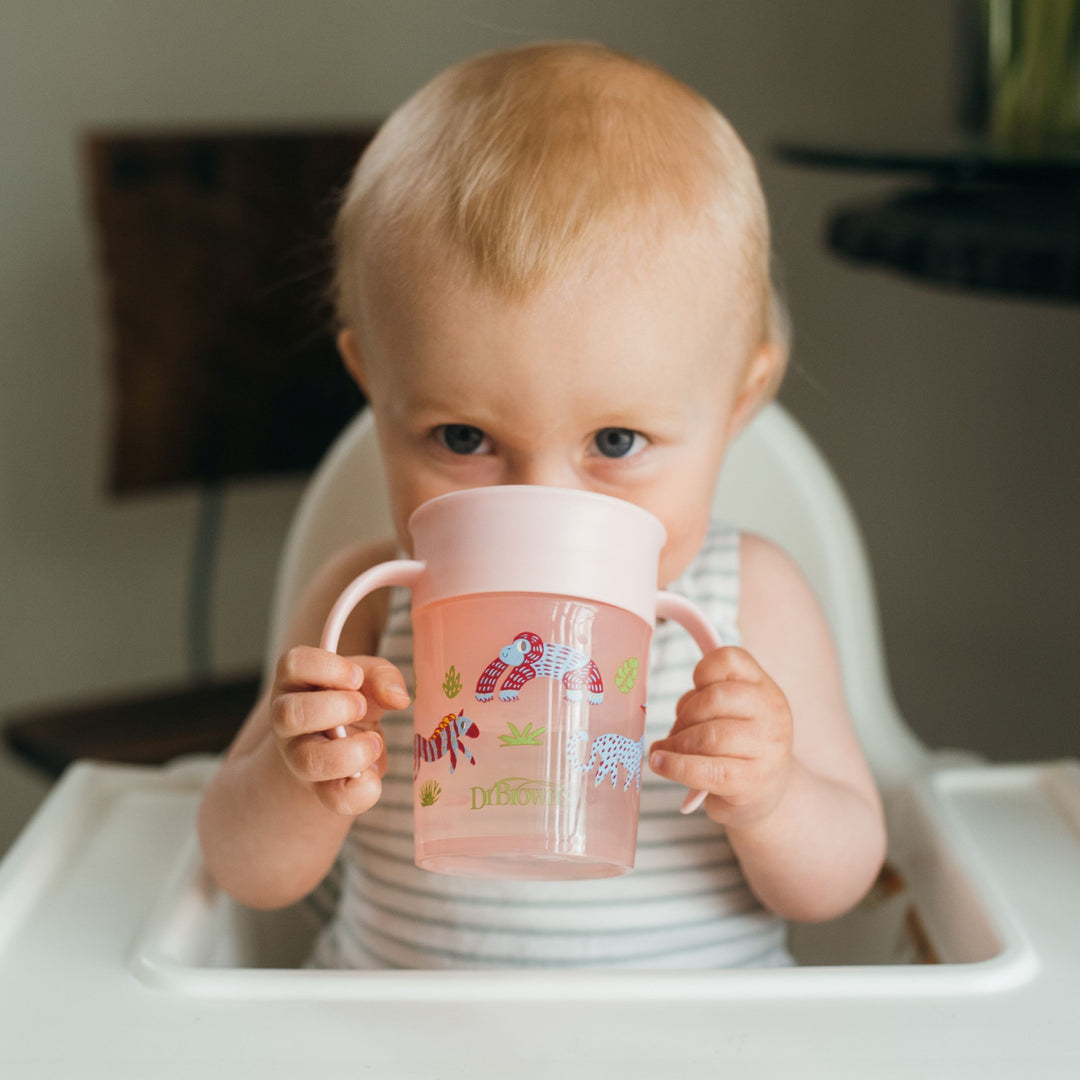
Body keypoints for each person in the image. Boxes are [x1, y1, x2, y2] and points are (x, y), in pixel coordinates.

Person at [197, 40, 886, 969]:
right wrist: (294, 782)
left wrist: (774, 796)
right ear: (377, 387)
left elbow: (842, 883)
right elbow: (246, 872)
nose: (541, 505)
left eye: (614, 443)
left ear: (738, 402)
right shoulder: (363, 603)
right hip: (388, 1041)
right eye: (463, 438)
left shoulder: (748, 600)